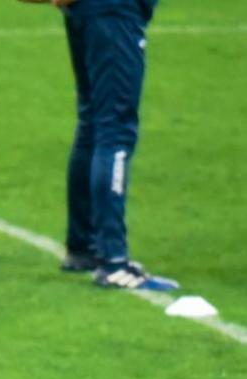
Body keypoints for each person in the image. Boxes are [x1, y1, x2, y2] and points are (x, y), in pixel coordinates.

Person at [20, 0, 177, 290]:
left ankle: (84, 248)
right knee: (115, 129)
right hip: (114, 11)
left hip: (89, 10)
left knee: (93, 122)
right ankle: (113, 262)